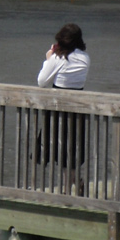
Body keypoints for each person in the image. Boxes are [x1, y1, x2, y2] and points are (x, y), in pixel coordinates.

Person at [35, 24, 90, 183]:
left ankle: (59, 186)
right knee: (71, 149)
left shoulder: (58, 58)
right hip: (76, 107)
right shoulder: (85, 57)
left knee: (51, 146)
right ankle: (71, 183)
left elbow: (41, 82)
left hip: (57, 108)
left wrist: (48, 59)